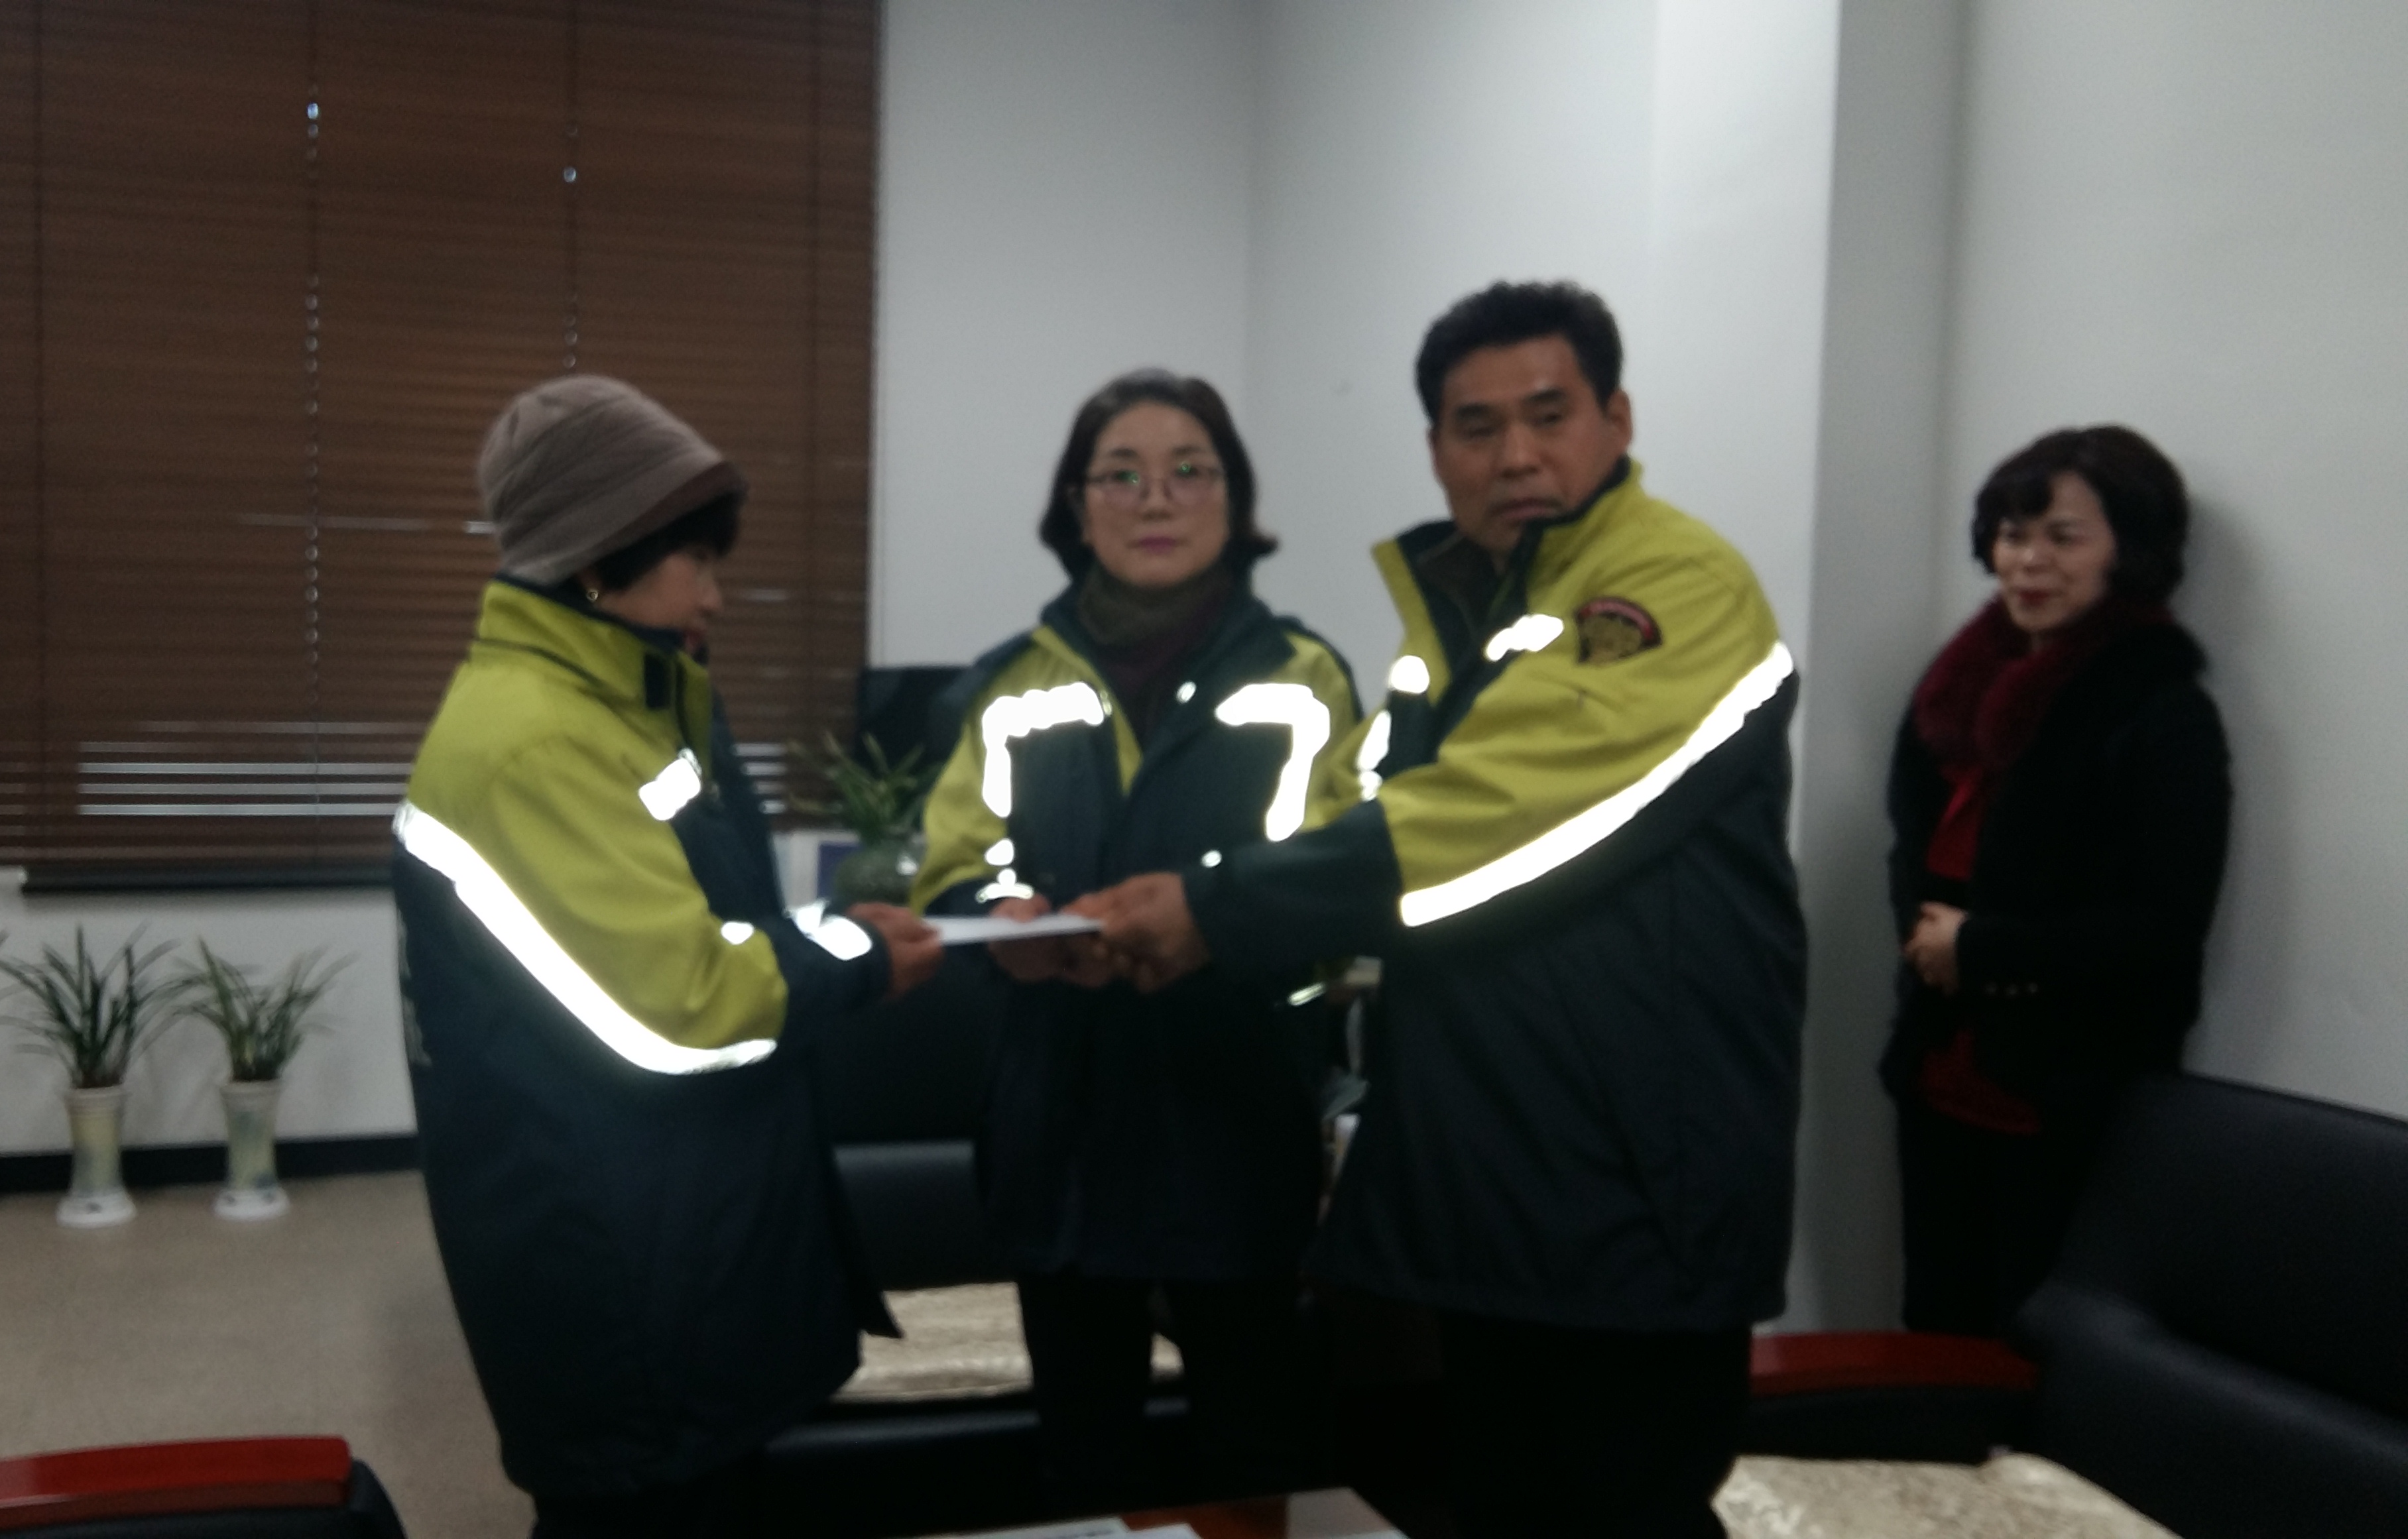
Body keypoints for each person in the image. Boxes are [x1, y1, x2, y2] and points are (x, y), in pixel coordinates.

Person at [1081, 282, 1804, 1538]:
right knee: (1501, 1506)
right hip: (1494, 1171)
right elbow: (1370, 821)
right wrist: (1182, 920)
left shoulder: (1670, 585)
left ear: (1618, 419)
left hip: (1638, 1179)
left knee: (1630, 1512)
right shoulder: (1465, 623)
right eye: (1478, 426)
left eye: (1548, 415)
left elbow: (1496, 816)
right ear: (1435, 449)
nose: (1515, 455)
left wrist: (1213, 908)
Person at [391, 376, 941, 1538]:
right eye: (696, 558)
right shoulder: (532, 742)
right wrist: (857, 955)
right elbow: (682, 1006)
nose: (715, 594)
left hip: (682, 1241)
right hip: (620, 1281)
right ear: (603, 555)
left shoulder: (628, 703)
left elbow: (702, 926)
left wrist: (827, 932)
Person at [908, 370, 1358, 1509]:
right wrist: (1003, 917)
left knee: (1258, 1456)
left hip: (1236, 1118)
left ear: (1233, 497)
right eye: (1121, 475)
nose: (1156, 499)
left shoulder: (1302, 678)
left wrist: (1211, 917)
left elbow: (1337, 881)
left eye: (1188, 471)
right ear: (1078, 506)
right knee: (1083, 1466)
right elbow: (953, 862)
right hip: (1061, 1126)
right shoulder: (1011, 684)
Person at [1884, 426, 2228, 1336]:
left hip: (2069, 1094)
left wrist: (1982, 949)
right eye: (2012, 533)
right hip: (1941, 1065)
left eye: (2062, 537)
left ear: (2130, 549)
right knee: (1936, 1328)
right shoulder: (1959, 686)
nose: (2029, 560)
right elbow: (1911, 847)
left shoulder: (2163, 713)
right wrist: (1925, 940)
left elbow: (2162, 925)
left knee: (2039, 1348)